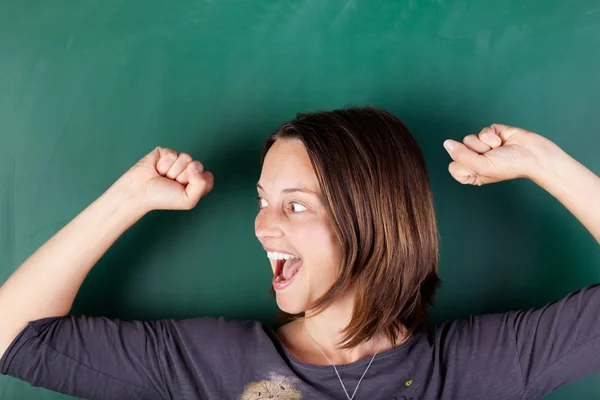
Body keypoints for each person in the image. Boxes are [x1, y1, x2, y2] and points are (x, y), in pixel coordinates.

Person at [0, 107, 599, 400]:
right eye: (262, 201)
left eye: (295, 205)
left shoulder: (484, 366)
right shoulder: (207, 362)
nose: (262, 226)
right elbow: (9, 338)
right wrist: (126, 198)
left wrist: (544, 164)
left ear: (371, 221)